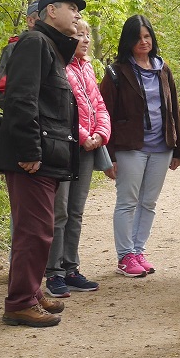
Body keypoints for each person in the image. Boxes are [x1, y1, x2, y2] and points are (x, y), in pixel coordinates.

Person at [0, 0, 85, 327]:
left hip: (46, 156)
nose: (77, 15)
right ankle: (19, 302)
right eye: (71, 8)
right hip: (33, 158)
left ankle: (31, 293)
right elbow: (21, 98)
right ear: (51, 11)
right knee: (33, 232)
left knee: (41, 230)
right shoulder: (34, 42)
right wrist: (29, 150)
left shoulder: (50, 47)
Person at [99, 15, 180, 278]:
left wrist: (178, 148)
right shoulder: (116, 72)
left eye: (147, 36)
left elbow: (174, 110)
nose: (143, 42)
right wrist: (109, 156)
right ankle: (125, 256)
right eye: (137, 38)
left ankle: (138, 251)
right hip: (129, 147)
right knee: (127, 202)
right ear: (128, 41)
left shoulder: (162, 68)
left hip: (161, 146)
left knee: (148, 202)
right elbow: (105, 113)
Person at [44, 21, 112, 297]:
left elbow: (99, 105)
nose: (84, 40)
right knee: (59, 211)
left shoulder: (87, 67)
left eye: (86, 35)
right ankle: (54, 272)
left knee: (76, 211)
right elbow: (59, 109)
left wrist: (101, 134)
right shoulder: (58, 65)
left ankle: (71, 269)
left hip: (87, 149)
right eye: (78, 35)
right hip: (64, 146)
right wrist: (83, 136)